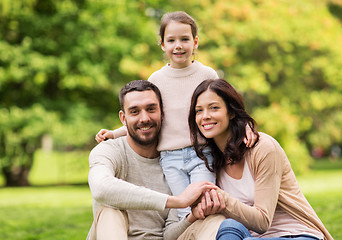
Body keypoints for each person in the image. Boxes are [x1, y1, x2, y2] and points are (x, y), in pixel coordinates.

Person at [95, 11, 257, 218]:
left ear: (195, 42)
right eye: (171, 40)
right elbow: (149, 116)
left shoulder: (207, 75)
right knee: (184, 212)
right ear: (163, 44)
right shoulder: (156, 79)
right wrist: (115, 133)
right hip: (170, 158)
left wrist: (246, 126)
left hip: (202, 154)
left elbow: (228, 108)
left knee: (205, 204)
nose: (178, 45)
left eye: (184, 39)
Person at [188, 79, 333, 240]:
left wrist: (222, 198)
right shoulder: (209, 160)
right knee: (228, 227)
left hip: (296, 235)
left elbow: (263, 221)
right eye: (198, 111)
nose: (205, 116)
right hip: (248, 237)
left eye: (214, 108)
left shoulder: (263, 148)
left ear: (231, 112)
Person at [87, 80, 225, 240]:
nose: (144, 118)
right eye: (134, 112)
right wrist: (176, 201)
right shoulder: (109, 150)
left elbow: (170, 234)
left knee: (215, 220)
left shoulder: (176, 163)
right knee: (109, 210)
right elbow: (101, 188)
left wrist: (191, 216)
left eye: (151, 109)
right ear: (123, 118)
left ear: (162, 113)